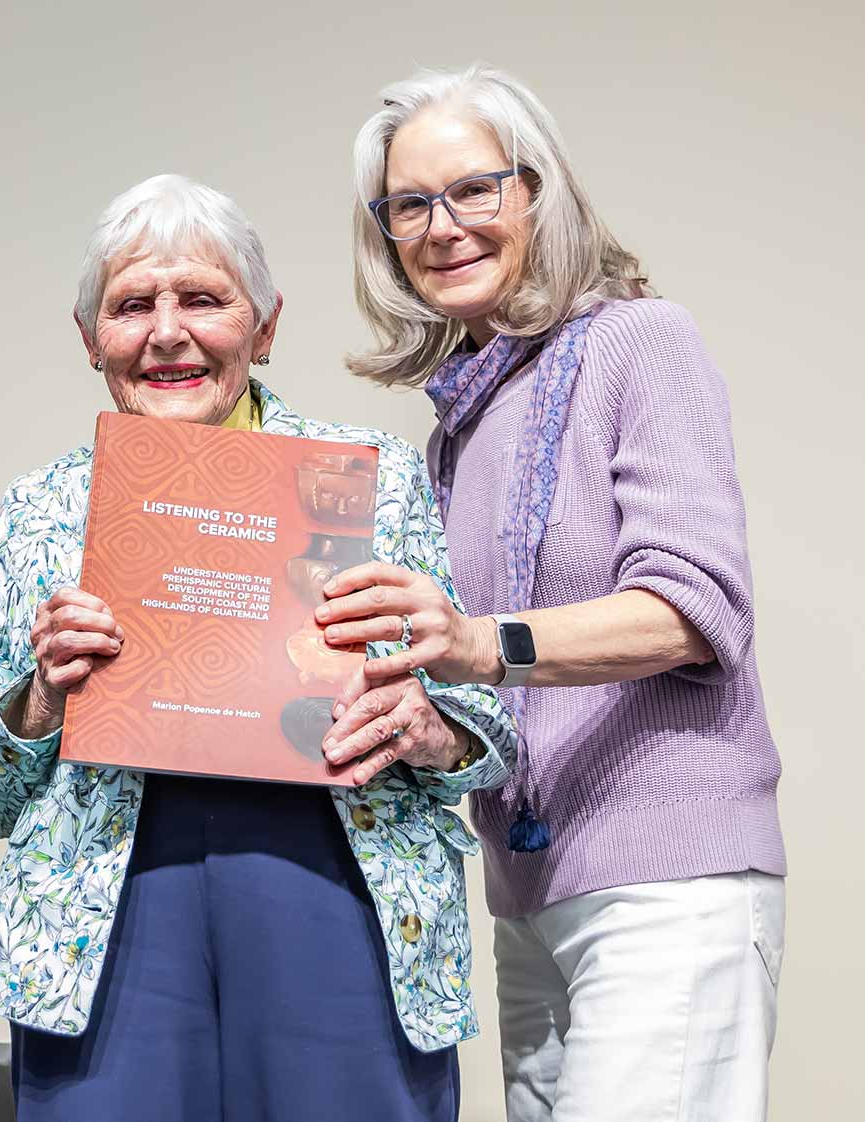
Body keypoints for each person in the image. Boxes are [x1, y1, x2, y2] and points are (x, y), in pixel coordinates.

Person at [0, 173, 518, 1122]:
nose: (168, 333)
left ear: (266, 325)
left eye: (203, 299)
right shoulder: (41, 508)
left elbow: (488, 736)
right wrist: (41, 699)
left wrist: (429, 728)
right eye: (132, 306)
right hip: (104, 922)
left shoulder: (370, 481)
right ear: (92, 341)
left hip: (340, 900)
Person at [317, 64, 786, 1122]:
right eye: (408, 205)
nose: (442, 226)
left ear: (538, 192)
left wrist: (476, 644)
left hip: (669, 884)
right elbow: (492, 690)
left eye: (474, 190)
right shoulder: (462, 421)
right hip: (529, 896)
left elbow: (691, 605)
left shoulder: (638, 341)